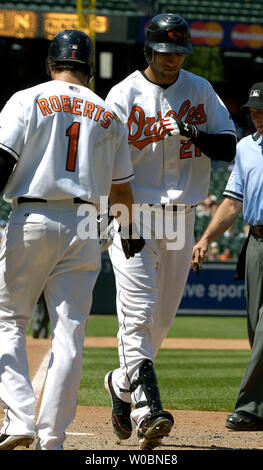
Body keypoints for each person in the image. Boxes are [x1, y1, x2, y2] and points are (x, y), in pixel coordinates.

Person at [0, 29, 144, 450]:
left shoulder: (26, 98)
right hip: (86, 224)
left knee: (9, 320)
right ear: (89, 70)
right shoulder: (108, 113)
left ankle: (19, 419)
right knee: (70, 333)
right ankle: (52, 437)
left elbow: (2, 158)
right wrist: (131, 230)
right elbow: (121, 190)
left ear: (50, 64)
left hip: (34, 213)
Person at [103, 13, 236, 450]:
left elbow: (228, 144)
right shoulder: (122, 94)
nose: (173, 59)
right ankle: (146, 410)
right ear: (150, 50)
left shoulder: (199, 89)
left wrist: (192, 131)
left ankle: (119, 384)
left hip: (181, 216)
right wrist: (120, 221)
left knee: (161, 321)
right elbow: (105, 164)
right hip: (134, 211)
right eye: (165, 51)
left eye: (179, 51)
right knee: (138, 313)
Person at [192, 81, 263, 431]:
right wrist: (206, 237)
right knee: (254, 330)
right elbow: (233, 201)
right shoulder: (247, 148)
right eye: (253, 111)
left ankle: (249, 408)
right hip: (256, 242)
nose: (258, 116)